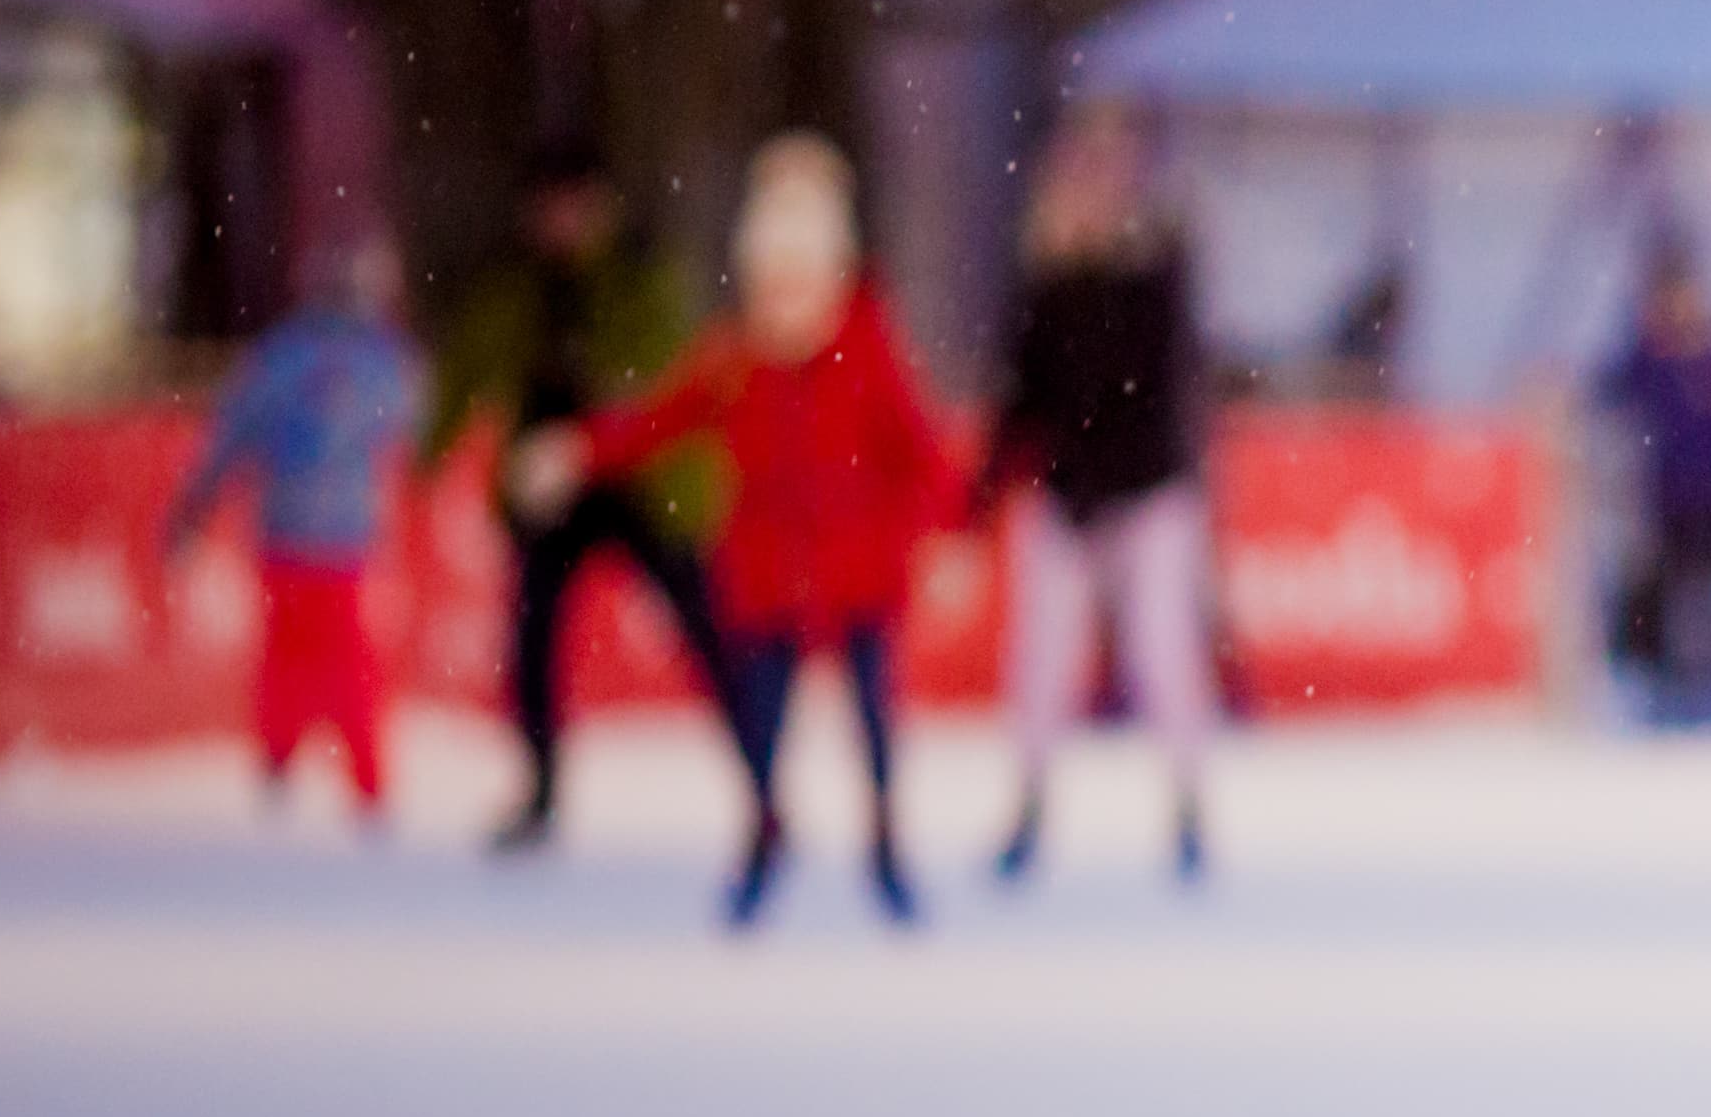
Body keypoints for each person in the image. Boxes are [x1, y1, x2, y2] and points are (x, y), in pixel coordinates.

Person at [530, 134, 960, 929]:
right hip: (766, 572)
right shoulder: (735, 354)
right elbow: (661, 418)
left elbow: (920, 448)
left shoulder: (868, 342)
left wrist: (952, 529)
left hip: (859, 568)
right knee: (757, 722)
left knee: (872, 718)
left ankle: (884, 844)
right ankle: (764, 833)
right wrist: (580, 449)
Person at [422, 149, 721, 854]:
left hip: (637, 480)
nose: (560, 223)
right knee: (532, 641)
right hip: (547, 486)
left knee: (705, 623)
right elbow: (468, 367)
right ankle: (541, 786)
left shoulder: (636, 273)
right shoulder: (518, 287)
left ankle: (759, 772)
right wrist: (431, 452)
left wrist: (603, 410)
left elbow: (667, 369)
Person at [981, 107, 1217, 887]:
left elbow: (1151, 399)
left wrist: (1102, 481)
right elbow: (1024, 398)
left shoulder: (1154, 277)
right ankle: (1030, 802)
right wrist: (983, 493)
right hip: (1068, 493)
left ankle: (1187, 803)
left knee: (1160, 645)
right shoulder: (1049, 285)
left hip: (1145, 490)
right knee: (1043, 654)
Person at [163, 233, 428, 826]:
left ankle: (280, 763)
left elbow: (230, 438)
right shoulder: (381, 361)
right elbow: (418, 432)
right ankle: (366, 781)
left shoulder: (280, 355)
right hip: (345, 537)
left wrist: (194, 507)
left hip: (284, 532)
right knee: (348, 662)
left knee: (288, 655)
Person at [1594, 256, 1711, 719]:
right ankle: (1671, 687)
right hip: (1667, 502)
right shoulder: (1652, 359)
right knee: (1668, 597)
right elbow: (1604, 394)